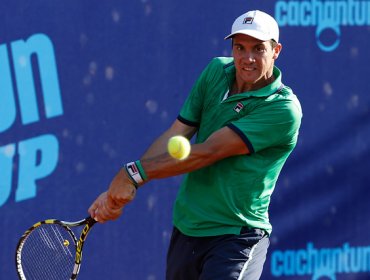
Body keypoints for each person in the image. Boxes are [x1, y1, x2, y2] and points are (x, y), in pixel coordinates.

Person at [88, 9, 302, 280]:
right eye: (240, 47)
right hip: (187, 228)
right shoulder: (216, 71)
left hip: (236, 236)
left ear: (276, 51)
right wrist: (122, 189)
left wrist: (133, 173)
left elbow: (208, 152)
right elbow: (177, 133)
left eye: (258, 49)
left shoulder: (283, 109)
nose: (247, 58)